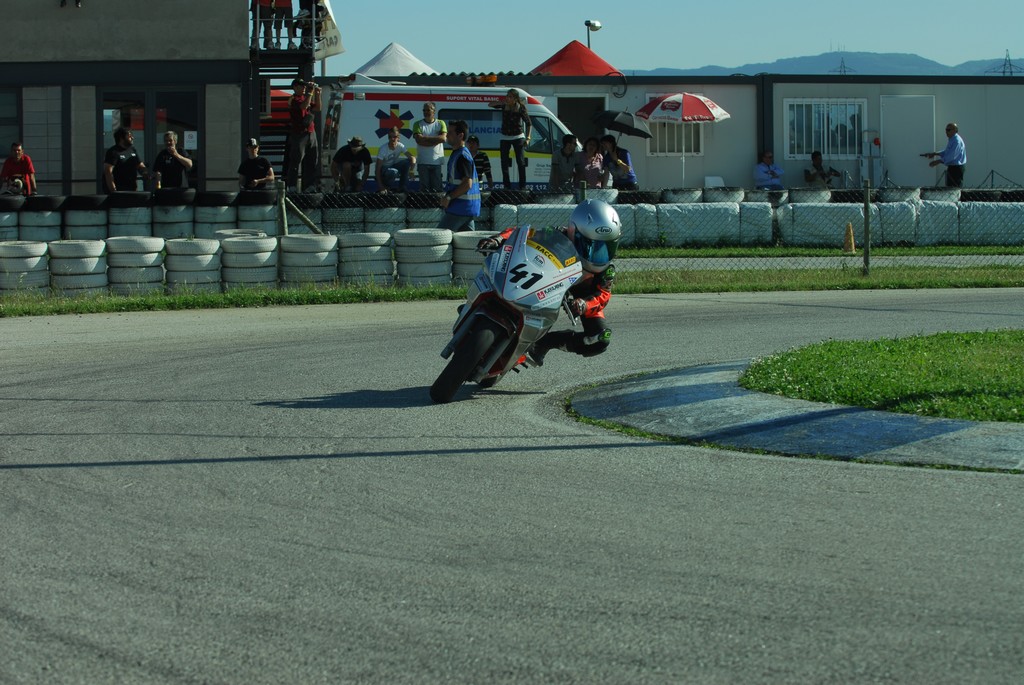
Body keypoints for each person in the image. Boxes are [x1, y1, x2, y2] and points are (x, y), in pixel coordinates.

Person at [476, 198, 621, 366]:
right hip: (552, 279)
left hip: (583, 295)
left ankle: (543, 343)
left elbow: (603, 295)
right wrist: (498, 239)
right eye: (591, 245)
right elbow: (523, 233)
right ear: (574, 232)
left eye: (606, 247)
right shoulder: (557, 234)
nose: (599, 254)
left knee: (601, 339)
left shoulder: (607, 270)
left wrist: (584, 304)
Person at [438, 119, 480, 232]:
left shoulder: (462, 156)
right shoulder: (459, 154)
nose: (447, 135)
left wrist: (449, 197)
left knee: (438, 237)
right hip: (465, 208)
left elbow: (467, 183)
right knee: (466, 241)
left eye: (450, 132)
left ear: (460, 135)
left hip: (459, 208)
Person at [488, 89, 532, 189]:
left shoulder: (520, 108)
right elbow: (490, 104)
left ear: (515, 98)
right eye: (507, 96)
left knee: (520, 162)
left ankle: (522, 186)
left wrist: (528, 138)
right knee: (504, 162)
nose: (508, 98)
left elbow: (529, 123)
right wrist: (502, 102)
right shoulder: (504, 105)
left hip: (518, 136)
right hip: (505, 136)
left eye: (510, 97)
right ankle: (506, 186)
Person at [286, 77, 321, 193]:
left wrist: (317, 94)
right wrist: (310, 93)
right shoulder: (293, 99)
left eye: (305, 86)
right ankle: (292, 185)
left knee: (312, 159)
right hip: (299, 134)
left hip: (311, 132)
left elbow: (317, 108)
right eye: (302, 86)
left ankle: (309, 186)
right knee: (296, 160)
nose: (304, 88)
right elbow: (303, 107)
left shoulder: (305, 98)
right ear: (295, 87)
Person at [413, 102, 446, 193]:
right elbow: (419, 140)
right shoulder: (417, 124)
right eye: (424, 110)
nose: (426, 112)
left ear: (434, 111)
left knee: (437, 189)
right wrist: (436, 140)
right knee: (424, 190)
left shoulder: (440, 123)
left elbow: (443, 139)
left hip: (436, 162)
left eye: (428, 110)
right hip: (423, 162)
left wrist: (425, 138)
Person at [103, 128, 147, 194]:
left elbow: (140, 165)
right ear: (121, 138)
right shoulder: (113, 152)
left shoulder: (132, 150)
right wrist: (113, 191)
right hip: (119, 190)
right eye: (129, 136)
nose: (132, 138)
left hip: (132, 189)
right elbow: (108, 171)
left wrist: (145, 172)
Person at [925, 122, 967, 188]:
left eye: (948, 130)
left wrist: (938, 161)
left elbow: (952, 156)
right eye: (946, 130)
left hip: (956, 168)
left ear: (955, 130)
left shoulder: (956, 141)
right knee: (950, 187)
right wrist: (935, 154)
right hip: (952, 167)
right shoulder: (952, 139)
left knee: (954, 188)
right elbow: (947, 152)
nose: (946, 132)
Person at [375, 127, 415, 193]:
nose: (392, 139)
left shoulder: (400, 146)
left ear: (398, 138)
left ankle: (402, 187)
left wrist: (412, 171)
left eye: (395, 137)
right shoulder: (383, 149)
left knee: (407, 162)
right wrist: (381, 187)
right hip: (384, 170)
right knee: (392, 172)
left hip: (393, 166)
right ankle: (386, 187)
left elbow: (412, 157)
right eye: (390, 137)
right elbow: (377, 169)